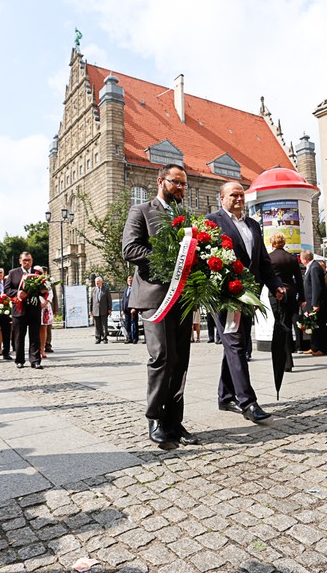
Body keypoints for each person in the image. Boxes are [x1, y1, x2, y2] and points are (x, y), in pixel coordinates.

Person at [122, 164, 197, 448]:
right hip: (154, 297)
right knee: (162, 356)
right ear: (161, 181)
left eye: (184, 184)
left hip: (182, 297)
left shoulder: (185, 217)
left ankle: (174, 422)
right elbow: (130, 249)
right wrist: (167, 258)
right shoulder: (140, 211)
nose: (181, 188)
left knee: (180, 360)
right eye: (176, 182)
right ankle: (154, 417)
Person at [208, 182, 285, 424]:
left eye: (242, 194)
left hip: (248, 295)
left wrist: (275, 285)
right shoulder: (212, 221)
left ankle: (225, 395)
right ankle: (248, 402)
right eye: (234, 195)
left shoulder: (252, 224)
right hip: (225, 297)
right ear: (222, 198)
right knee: (236, 344)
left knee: (234, 345)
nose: (239, 198)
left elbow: (262, 261)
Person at [269, 232, 303, 379]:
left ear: (272, 243)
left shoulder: (270, 258)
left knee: (279, 325)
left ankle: (284, 361)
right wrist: (301, 296)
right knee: (287, 324)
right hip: (290, 293)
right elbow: (299, 279)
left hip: (276, 294)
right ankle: (289, 361)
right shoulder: (291, 258)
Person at [5, 252, 45, 369]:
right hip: (19, 309)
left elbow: (43, 288)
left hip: (34, 309)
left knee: (35, 336)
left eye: (29, 260)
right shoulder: (13, 273)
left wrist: (43, 291)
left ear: (32, 261)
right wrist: (17, 293)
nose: (27, 262)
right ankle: (20, 360)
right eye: (24, 260)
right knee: (18, 337)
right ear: (20, 261)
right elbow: (7, 289)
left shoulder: (37, 273)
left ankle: (35, 361)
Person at [299, 251, 327, 356]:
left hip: (315, 303)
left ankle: (322, 348)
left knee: (318, 326)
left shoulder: (314, 267)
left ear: (305, 259)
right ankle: (314, 347)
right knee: (312, 326)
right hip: (309, 302)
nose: (301, 261)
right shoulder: (311, 267)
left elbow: (317, 286)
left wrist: (315, 303)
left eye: (301, 259)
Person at [90, 276, 111, 344]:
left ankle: (104, 338)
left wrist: (109, 309)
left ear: (101, 282)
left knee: (104, 325)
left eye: (98, 282)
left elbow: (109, 300)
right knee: (97, 325)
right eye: (96, 282)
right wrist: (90, 310)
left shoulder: (106, 289)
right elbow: (91, 301)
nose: (97, 283)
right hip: (95, 310)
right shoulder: (93, 290)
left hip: (104, 310)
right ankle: (98, 338)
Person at [121, 275, 139, 344]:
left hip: (133, 310)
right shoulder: (125, 290)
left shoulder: (135, 289)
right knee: (127, 325)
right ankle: (129, 338)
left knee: (134, 324)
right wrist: (122, 309)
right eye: (129, 280)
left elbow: (136, 299)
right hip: (126, 310)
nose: (130, 282)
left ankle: (135, 338)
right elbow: (123, 300)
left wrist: (134, 308)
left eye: (131, 280)